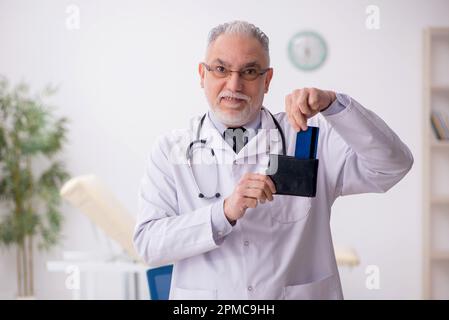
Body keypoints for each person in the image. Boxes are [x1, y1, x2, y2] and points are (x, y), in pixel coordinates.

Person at [133, 20, 413, 300]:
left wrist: (334, 104)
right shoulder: (172, 149)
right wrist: (224, 212)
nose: (234, 84)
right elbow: (148, 244)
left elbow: (392, 165)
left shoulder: (307, 136)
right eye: (220, 69)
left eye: (250, 71)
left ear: (267, 80)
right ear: (201, 75)